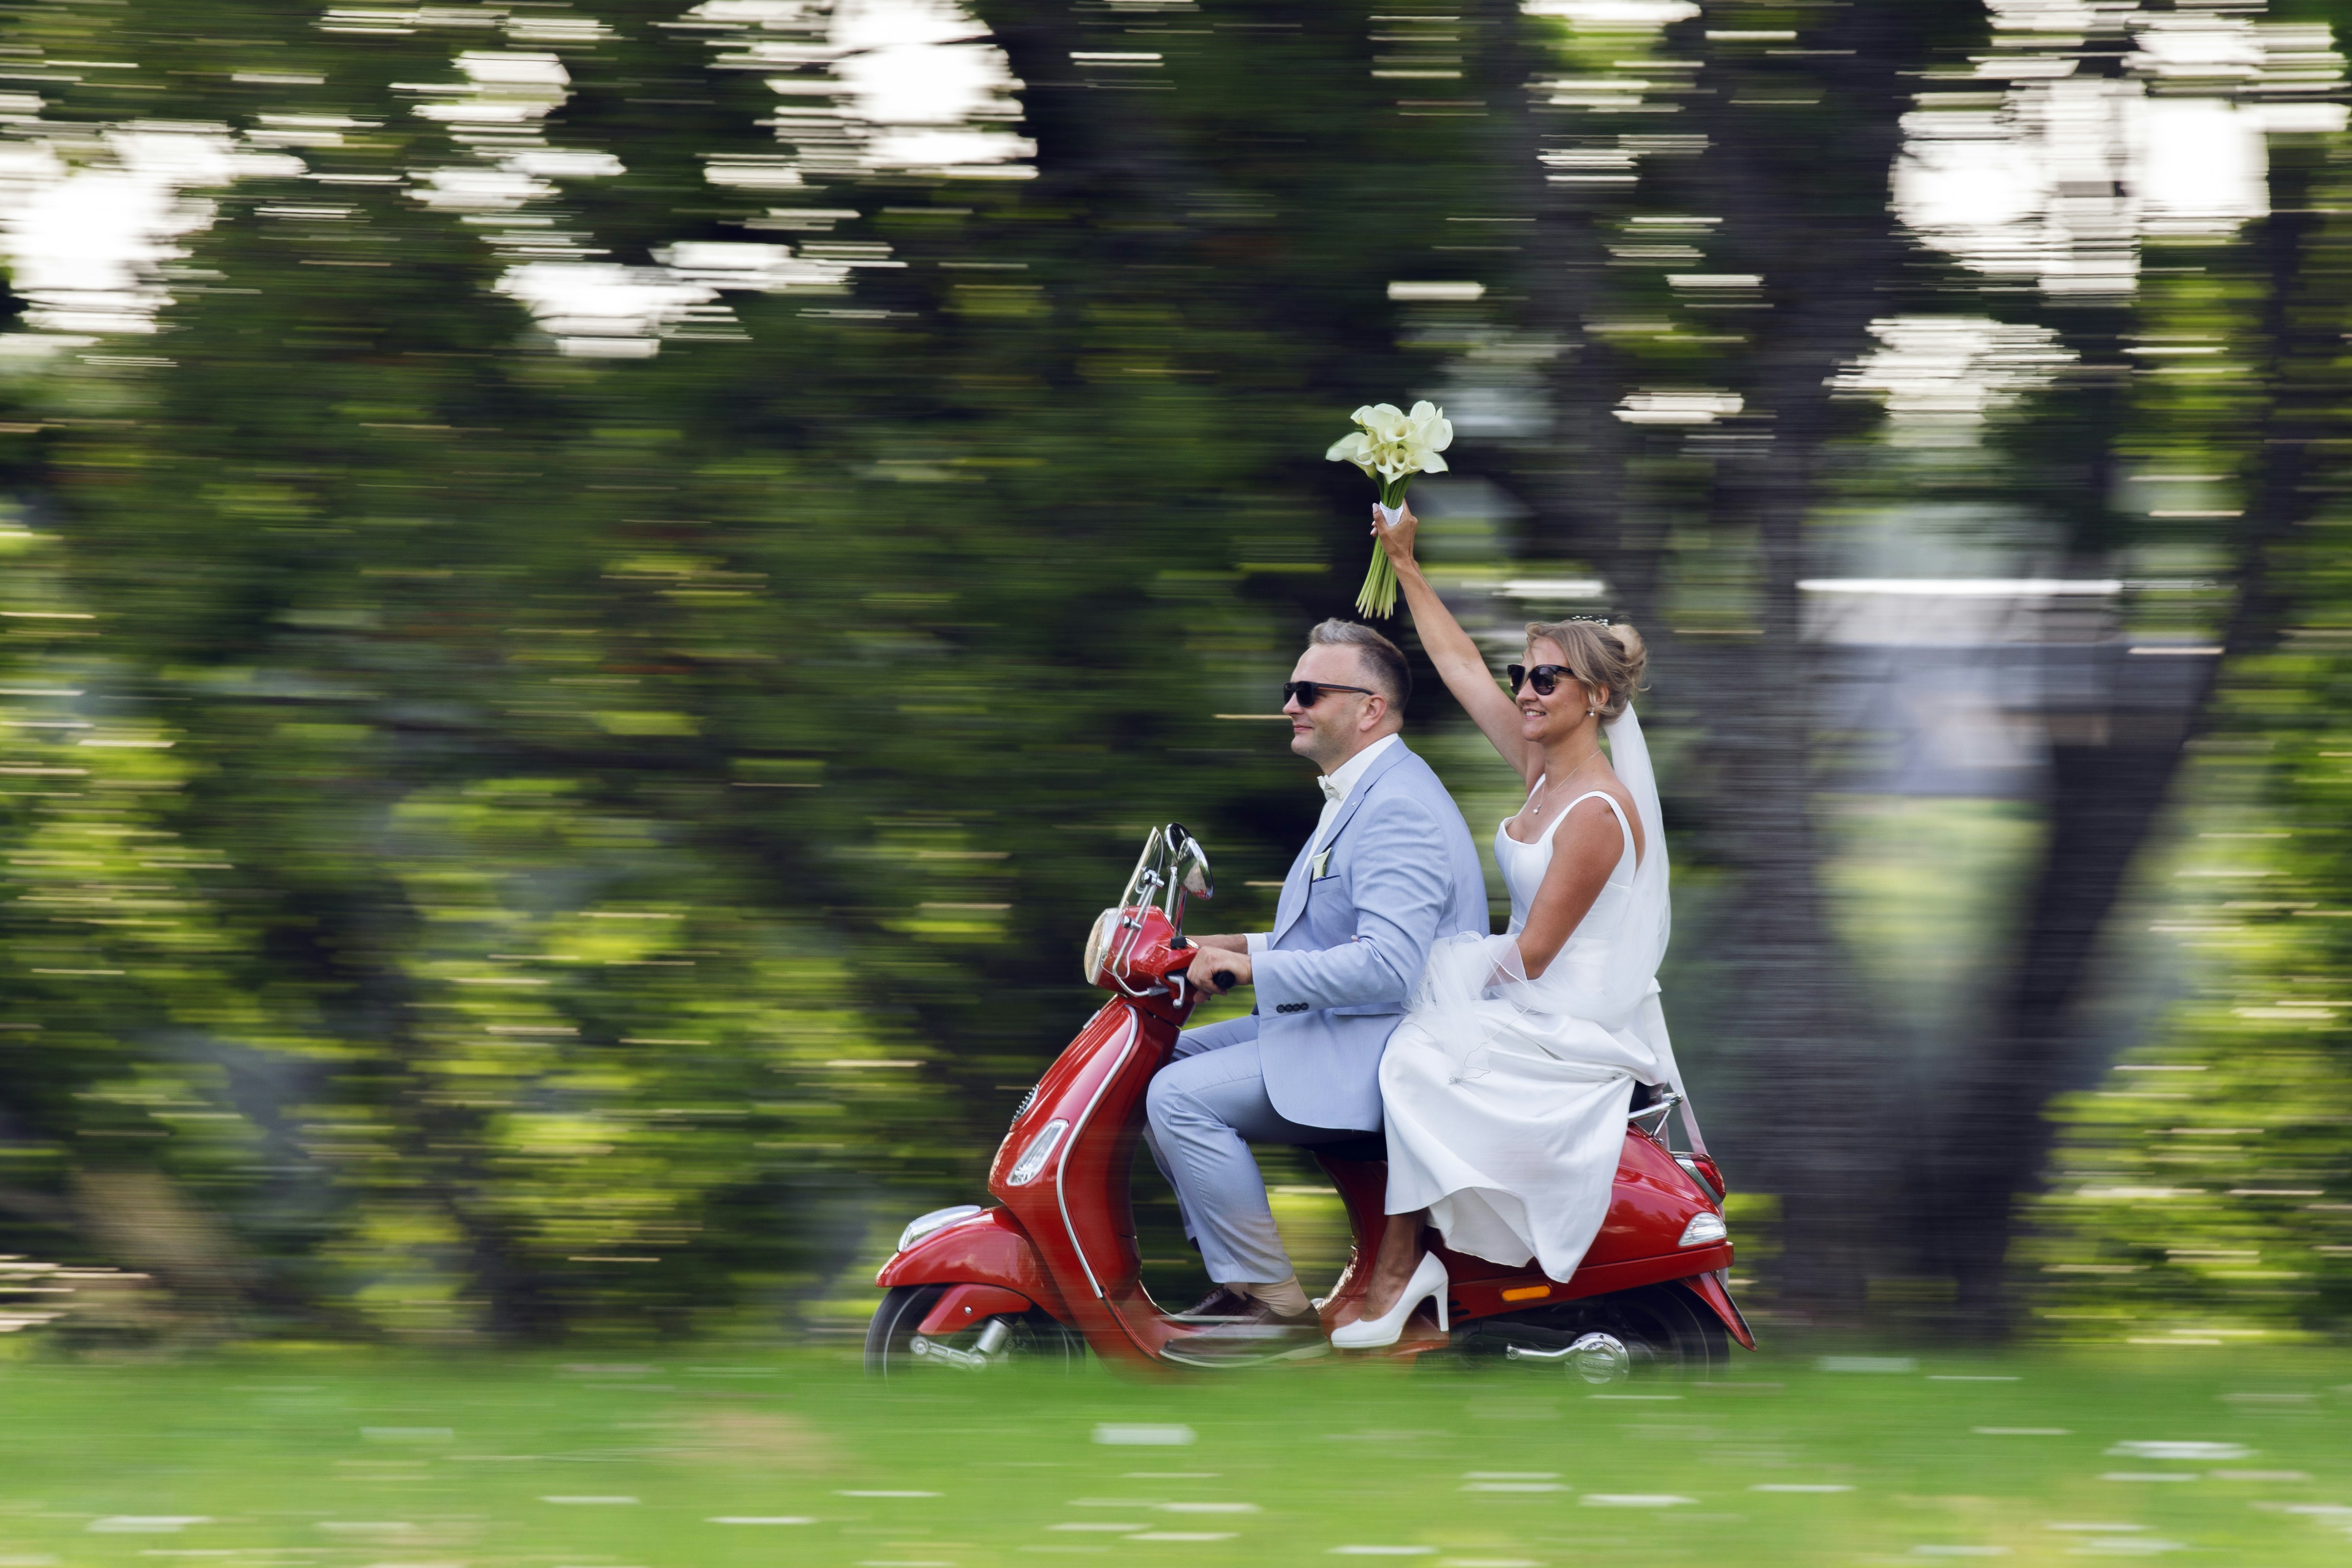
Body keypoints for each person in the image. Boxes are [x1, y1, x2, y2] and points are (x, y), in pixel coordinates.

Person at [1327, 502, 1704, 1351]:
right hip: (1522, 989)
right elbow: (1461, 669)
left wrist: (1421, 963)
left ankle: (1401, 1269)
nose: (1523, 691)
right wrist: (1407, 561)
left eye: (1545, 680)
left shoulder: (1598, 813)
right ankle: (1391, 1265)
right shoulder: (1543, 768)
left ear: (1597, 698)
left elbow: (1533, 955)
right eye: (1522, 674)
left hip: (1564, 1013)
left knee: (1415, 1056)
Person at [1147, 617, 1488, 1364]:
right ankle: (1242, 1286)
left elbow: (1387, 968)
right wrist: (1220, 948)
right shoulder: (1363, 790)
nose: (1290, 705)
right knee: (1154, 1064)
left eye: (1308, 691)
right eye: (1289, 690)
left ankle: (1272, 1304)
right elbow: (1331, 940)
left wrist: (1249, 971)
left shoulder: (1396, 805)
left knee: (1179, 1097)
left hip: (1390, 1044)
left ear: (1369, 707)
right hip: (1353, 1026)